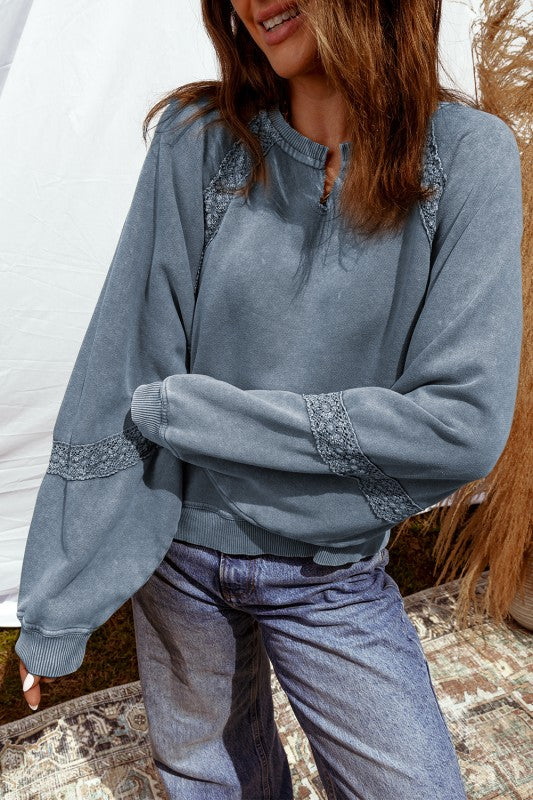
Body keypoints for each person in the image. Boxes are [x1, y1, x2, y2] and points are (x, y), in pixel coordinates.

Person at [15, 1, 523, 798]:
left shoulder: (467, 157)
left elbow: (460, 427)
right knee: (209, 782)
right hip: (179, 558)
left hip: (330, 571)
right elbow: (118, 369)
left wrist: (202, 418)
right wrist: (59, 596)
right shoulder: (198, 139)